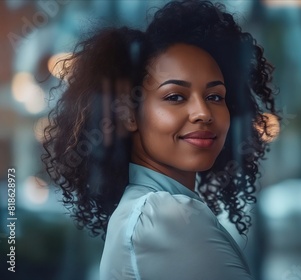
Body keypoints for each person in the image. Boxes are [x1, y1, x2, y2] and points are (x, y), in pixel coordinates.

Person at [41, 0, 279, 279]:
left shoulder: (144, 210)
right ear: (129, 114)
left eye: (215, 96)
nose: (203, 113)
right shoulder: (165, 216)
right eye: (175, 96)